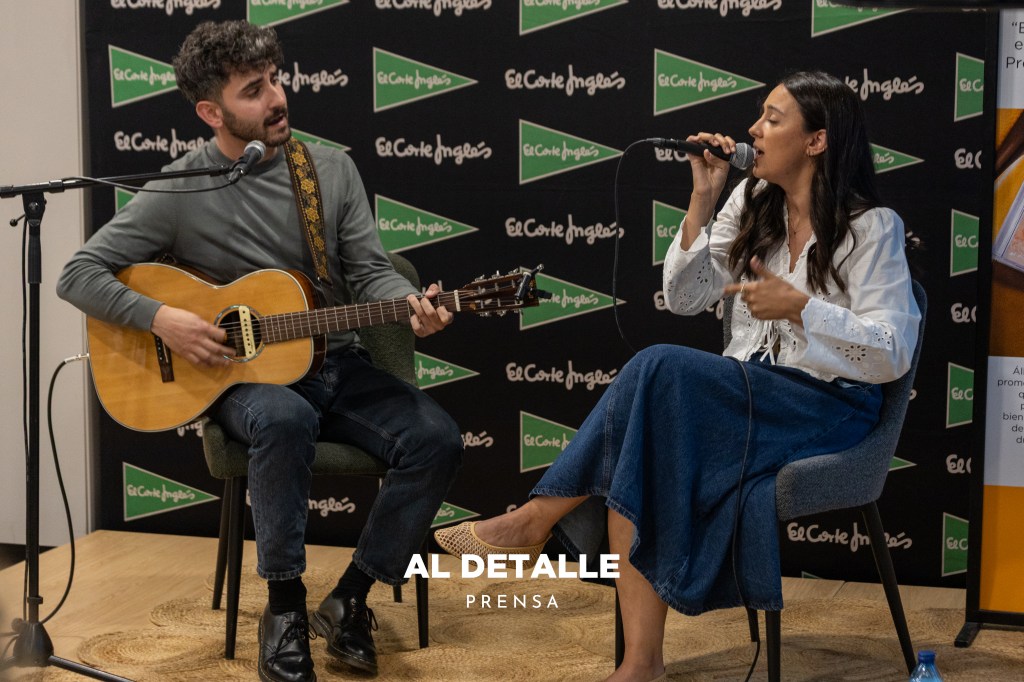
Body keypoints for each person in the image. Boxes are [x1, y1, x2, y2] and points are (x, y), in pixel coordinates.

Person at [435, 70, 920, 682]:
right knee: (645, 439)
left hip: (828, 409)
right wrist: (703, 197)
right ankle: (642, 665)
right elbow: (684, 296)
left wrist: (802, 308)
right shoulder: (751, 200)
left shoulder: (873, 228)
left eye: (773, 118)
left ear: (817, 141)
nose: (752, 128)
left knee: (658, 368)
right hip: (745, 394)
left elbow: (893, 350)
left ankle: (535, 520)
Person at [57, 20, 464, 682]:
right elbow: (78, 275)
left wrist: (411, 306)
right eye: (254, 90)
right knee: (283, 416)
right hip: (242, 382)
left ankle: (351, 598)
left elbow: (371, 272)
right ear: (211, 112)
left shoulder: (325, 170)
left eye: (275, 79)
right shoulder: (179, 190)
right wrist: (164, 319)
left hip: (336, 361)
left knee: (437, 438)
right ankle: (283, 607)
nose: (277, 98)